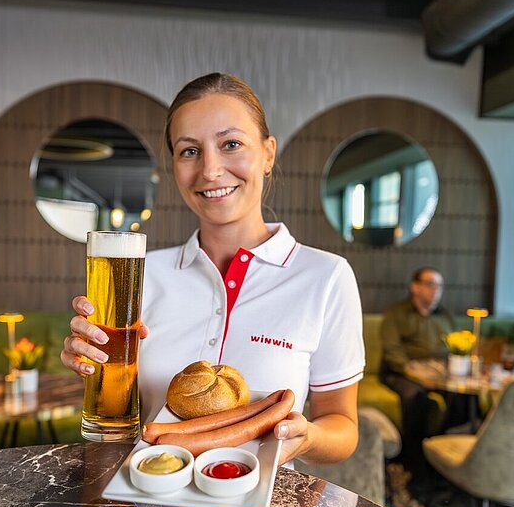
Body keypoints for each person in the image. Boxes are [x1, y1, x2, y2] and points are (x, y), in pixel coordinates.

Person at [61, 73, 365, 467]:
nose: (209, 170)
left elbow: (343, 426)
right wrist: (93, 366)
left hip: (263, 500)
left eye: (231, 144)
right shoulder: (141, 275)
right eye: (189, 151)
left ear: (268, 154)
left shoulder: (326, 277)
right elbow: (121, 415)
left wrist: (308, 438)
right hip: (146, 488)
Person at [379, 267, 464, 462]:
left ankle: (444, 456)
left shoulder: (445, 316)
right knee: (415, 397)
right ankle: (414, 460)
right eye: (430, 284)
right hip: (401, 373)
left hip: (439, 374)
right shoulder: (396, 314)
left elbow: (456, 346)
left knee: (463, 398)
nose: (436, 290)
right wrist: (416, 374)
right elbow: (392, 351)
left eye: (439, 286)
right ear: (415, 287)